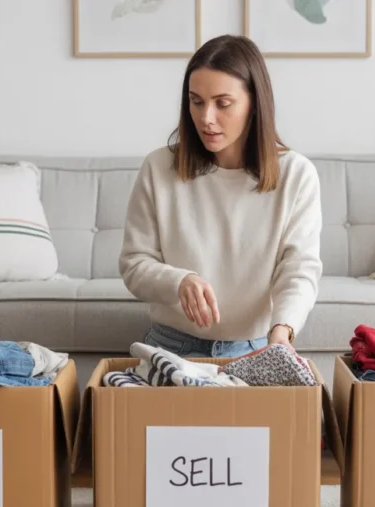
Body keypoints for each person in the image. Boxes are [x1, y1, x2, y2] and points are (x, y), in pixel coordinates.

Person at [119, 35, 323, 359]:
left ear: (254, 103)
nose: (206, 118)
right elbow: (134, 263)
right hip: (170, 348)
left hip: (257, 349)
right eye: (196, 101)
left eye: (222, 103)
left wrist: (282, 331)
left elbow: (299, 267)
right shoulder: (158, 168)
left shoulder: (297, 175)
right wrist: (179, 281)